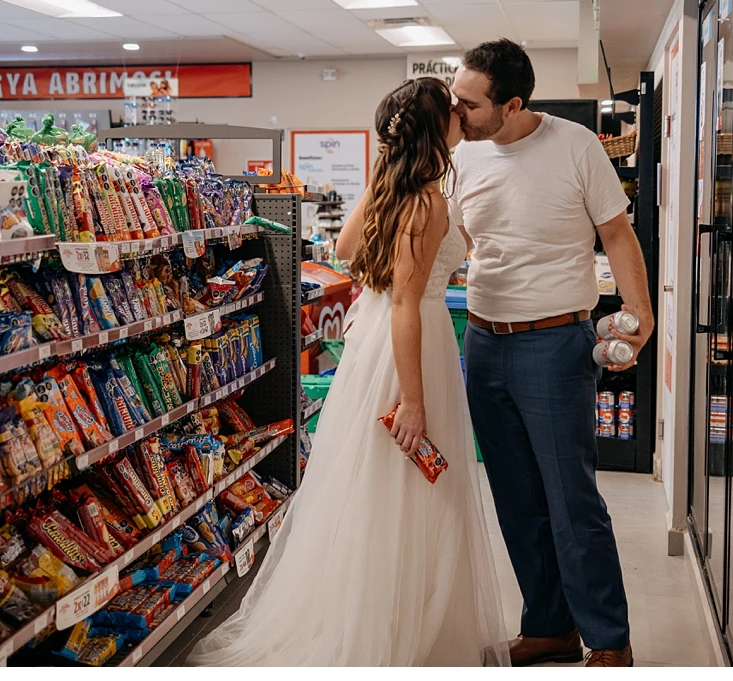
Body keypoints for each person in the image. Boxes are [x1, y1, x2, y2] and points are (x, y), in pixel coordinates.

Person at [187, 77, 510, 667]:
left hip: (374, 349)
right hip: (409, 349)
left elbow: (343, 247)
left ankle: (369, 615)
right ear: (438, 129)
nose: (463, 114)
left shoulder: (395, 186)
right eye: (454, 109)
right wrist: (413, 401)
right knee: (411, 490)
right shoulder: (429, 200)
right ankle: (399, 633)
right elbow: (410, 303)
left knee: (369, 486)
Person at [449, 39, 653, 668]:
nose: (456, 111)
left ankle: (607, 639)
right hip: (482, 341)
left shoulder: (576, 145)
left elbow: (617, 232)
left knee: (571, 499)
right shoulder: (462, 156)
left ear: (511, 104)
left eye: (469, 102)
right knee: (513, 496)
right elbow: (454, 240)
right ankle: (548, 625)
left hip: (556, 342)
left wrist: (641, 316)